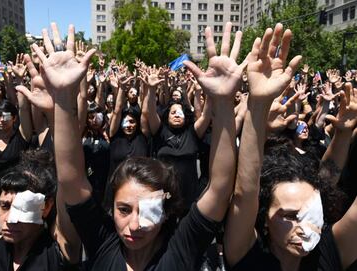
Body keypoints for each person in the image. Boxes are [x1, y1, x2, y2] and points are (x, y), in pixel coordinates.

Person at [53, 21, 244, 270]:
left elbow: (219, 188)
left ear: (165, 211)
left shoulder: (181, 247)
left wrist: (223, 102)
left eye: (148, 211)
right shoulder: (102, 242)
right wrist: (64, 97)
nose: (134, 225)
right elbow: (70, 178)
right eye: (123, 209)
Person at [0, 19, 95, 270]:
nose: (9, 218)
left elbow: (71, 180)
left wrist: (64, 100)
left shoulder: (61, 249)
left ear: (46, 207)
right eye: (4, 206)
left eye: (22, 206)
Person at [223, 23, 357, 271]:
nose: (304, 227)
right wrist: (259, 104)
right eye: (290, 216)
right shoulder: (247, 256)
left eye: (311, 214)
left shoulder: (328, 253)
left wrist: (343, 134)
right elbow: (245, 191)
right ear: (264, 219)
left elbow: (328, 178)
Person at [141, 66, 212, 209]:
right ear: (167, 116)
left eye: (180, 112)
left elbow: (206, 115)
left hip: (190, 196)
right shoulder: (160, 131)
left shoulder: (193, 132)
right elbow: (150, 112)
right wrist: (152, 89)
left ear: (186, 117)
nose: (177, 115)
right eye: (173, 112)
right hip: (163, 195)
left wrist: (205, 92)